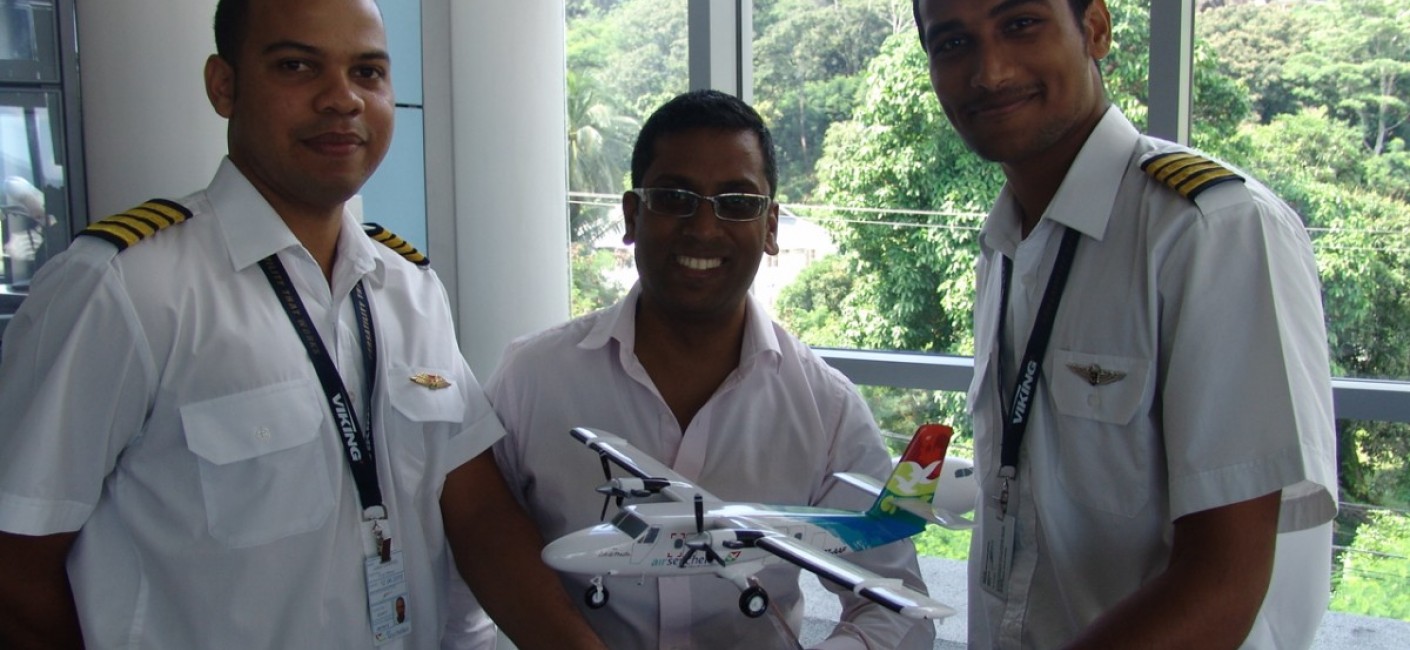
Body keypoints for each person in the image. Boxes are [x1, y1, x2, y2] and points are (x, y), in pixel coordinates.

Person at [0, 0, 605, 648]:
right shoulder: (126, 290)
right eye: (297, 66)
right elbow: (16, 565)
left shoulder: (410, 290)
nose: (342, 99)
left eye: (368, 73)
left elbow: (479, 514)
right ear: (223, 85)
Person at [910, 0, 1339, 647]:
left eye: (1020, 24)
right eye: (951, 44)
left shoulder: (1209, 231)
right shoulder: (1006, 246)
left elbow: (1223, 585)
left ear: (1097, 29)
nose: (989, 71)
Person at [445, 89, 937, 650]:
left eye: (737, 201)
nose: (704, 229)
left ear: (771, 226)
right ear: (633, 216)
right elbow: (474, 547)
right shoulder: (532, 378)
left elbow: (899, 604)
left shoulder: (826, 406)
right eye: (676, 197)